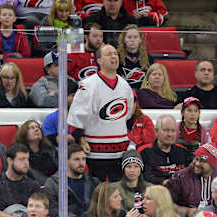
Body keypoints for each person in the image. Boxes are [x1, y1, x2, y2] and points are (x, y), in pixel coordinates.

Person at [68, 44, 134, 182]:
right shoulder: (88, 85)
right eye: (109, 54)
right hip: (95, 154)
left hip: (120, 152)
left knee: (117, 196)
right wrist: (80, 139)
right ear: (99, 60)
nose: (114, 56)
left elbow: (126, 115)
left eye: (115, 53)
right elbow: (76, 118)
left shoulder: (125, 85)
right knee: (97, 195)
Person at [166, 143, 217, 217]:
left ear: (211, 164)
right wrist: (186, 210)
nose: (196, 164)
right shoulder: (181, 176)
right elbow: (166, 203)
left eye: (202, 161)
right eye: (196, 159)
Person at [0, 143, 41, 217]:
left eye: (27, 159)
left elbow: (39, 210)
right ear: (9, 161)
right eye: (21, 159)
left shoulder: (33, 185)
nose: (26, 163)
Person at [43, 143, 100, 217]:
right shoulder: (53, 183)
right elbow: (52, 209)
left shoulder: (94, 182)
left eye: (83, 159)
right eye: (76, 159)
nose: (81, 163)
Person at [139, 114, 191, 185]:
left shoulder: (183, 151)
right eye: (166, 130)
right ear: (156, 131)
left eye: (173, 131)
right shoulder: (144, 152)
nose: (170, 134)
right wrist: (164, 182)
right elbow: (143, 177)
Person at [14, 120, 58, 184]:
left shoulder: (52, 150)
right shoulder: (19, 153)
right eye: (32, 128)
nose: (36, 129)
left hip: (54, 187)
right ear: (24, 133)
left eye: (38, 127)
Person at [42, 78, 79, 147]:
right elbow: (49, 140)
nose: (76, 98)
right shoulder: (51, 118)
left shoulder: (85, 116)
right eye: (72, 95)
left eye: (77, 95)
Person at [117, 24, 153, 89]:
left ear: (140, 40)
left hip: (142, 92)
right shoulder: (117, 57)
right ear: (124, 39)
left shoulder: (148, 58)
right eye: (129, 37)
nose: (132, 40)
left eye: (135, 37)